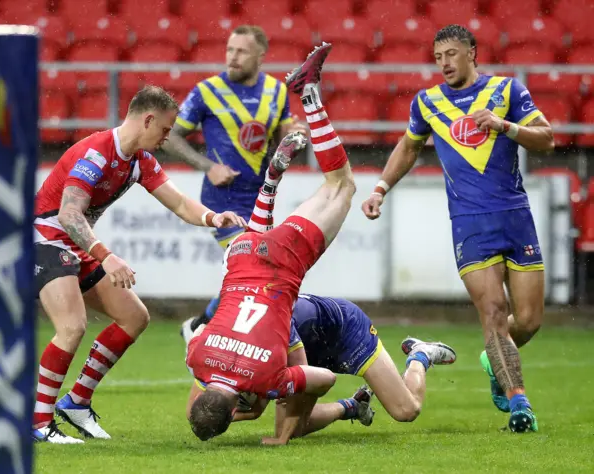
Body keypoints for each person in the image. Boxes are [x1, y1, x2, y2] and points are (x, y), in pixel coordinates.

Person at [361, 24, 555, 433]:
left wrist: (505, 127)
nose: (444, 63)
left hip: (516, 217)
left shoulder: (506, 92)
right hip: (470, 224)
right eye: (437, 57)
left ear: (472, 53)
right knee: (493, 313)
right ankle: (520, 404)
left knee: (530, 319)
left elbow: (548, 138)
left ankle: (493, 359)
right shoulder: (428, 102)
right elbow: (410, 147)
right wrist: (380, 187)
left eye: (451, 54)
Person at [32, 85, 246, 444]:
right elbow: (69, 213)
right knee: (71, 327)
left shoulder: (140, 162)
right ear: (147, 119)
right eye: (164, 129)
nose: (167, 137)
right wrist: (106, 255)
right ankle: (38, 423)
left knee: (134, 317)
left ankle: (76, 403)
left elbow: (179, 204)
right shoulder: (97, 153)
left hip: (75, 245)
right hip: (45, 240)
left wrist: (213, 218)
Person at [186, 42, 362, 445]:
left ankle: (311, 98)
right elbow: (198, 343)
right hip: (241, 258)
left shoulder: (265, 377)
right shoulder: (195, 359)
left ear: (236, 411)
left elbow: (326, 378)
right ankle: (270, 181)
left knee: (343, 185)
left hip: (281, 266)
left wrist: (273, 392)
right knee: (258, 242)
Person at [161, 25, 305, 341]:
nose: (232, 57)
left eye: (241, 51)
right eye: (229, 50)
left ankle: (202, 326)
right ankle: (237, 338)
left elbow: (281, 141)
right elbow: (169, 135)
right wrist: (208, 165)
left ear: (260, 56)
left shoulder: (277, 93)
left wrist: (296, 137)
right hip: (221, 198)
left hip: (259, 198)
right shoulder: (206, 91)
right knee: (253, 264)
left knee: (256, 272)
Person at [230, 294, 457, 440]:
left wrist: (256, 411)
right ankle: (353, 406)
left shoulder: (272, 330)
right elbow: (257, 403)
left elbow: (300, 378)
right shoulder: (245, 338)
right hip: (308, 346)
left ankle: (420, 355)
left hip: (347, 331)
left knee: (406, 410)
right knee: (293, 430)